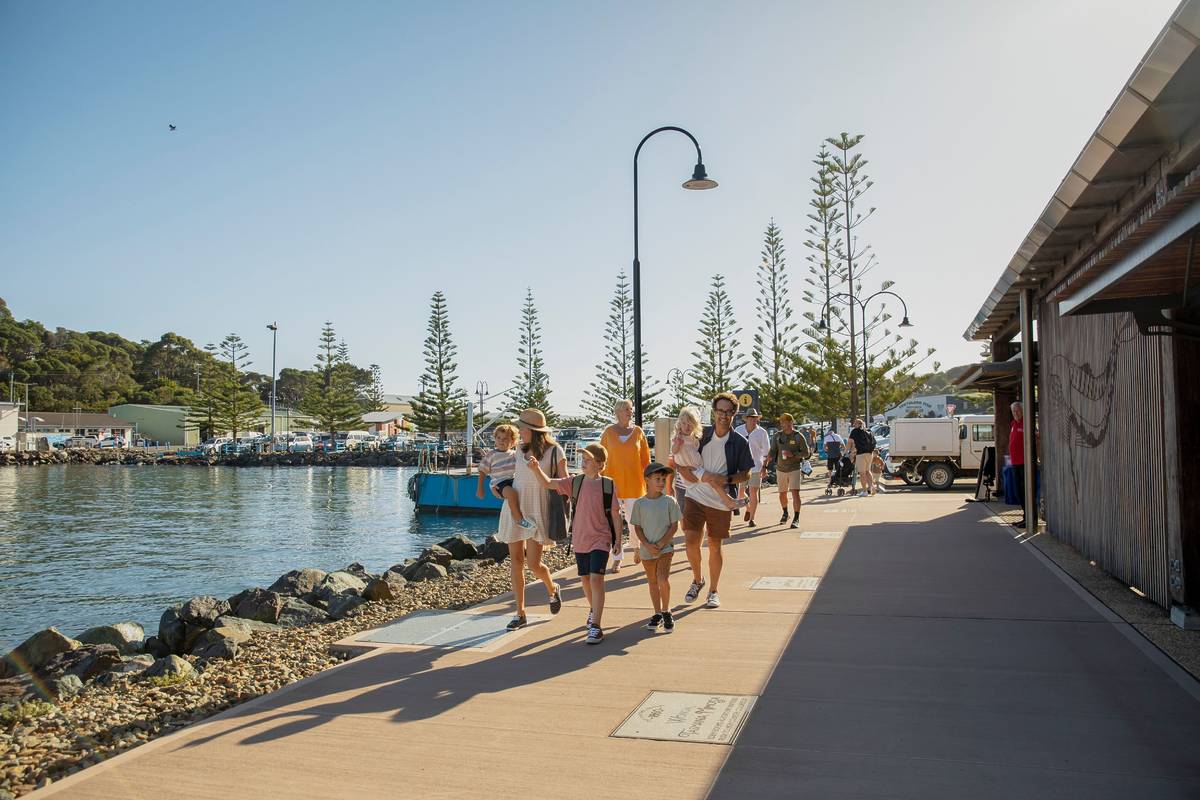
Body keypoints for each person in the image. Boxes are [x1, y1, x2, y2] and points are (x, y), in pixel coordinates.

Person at [526, 443, 621, 645]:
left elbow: (615, 514)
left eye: (587, 460)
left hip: (601, 538)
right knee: (585, 580)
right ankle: (593, 610)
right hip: (580, 539)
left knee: (596, 579)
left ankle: (596, 625)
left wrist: (618, 540)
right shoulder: (574, 482)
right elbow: (548, 483)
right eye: (583, 460)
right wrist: (536, 469)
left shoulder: (608, 485)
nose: (583, 463)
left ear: (599, 464)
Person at [674, 392, 755, 609]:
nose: (723, 415)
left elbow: (746, 474)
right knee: (690, 540)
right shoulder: (701, 434)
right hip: (695, 495)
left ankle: (713, 590)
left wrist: (726, 478)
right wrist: (681, 468)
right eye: (720, 411)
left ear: (734, 414)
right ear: (714, 412)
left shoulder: (739, 442)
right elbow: (680, 453)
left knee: (714, 545)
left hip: (720, 501)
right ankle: (697, 580)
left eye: (728, 412)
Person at [497, 408, 566, 631]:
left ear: (531, 430)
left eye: (522, 427)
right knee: (516, 562)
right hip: (516, 509)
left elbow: (564, 483)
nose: (519, 431)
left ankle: (552, 589)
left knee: (534, 564)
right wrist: (498, 489)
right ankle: (520, 613)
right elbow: (501, 475)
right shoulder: (517, 449)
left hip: (538, 509)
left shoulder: (555, 451)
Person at [600, 399, 651, 573]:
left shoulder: (638, 432)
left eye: (630, 409)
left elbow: (646, 461)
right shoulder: (608, 432)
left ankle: (637, 547)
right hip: (611, 485)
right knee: (614, 524)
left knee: (634, 521)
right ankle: (617, 558)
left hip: (635, 484)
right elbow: (600, 457)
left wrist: (650, 482)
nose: (630, 412)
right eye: (626, 409)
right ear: (617, 412)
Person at [631, 462, 682, 632]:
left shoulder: (669, 501)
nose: (661, 482)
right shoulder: (639, 504)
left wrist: (660, 544)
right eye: (657, 479)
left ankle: (667, 610)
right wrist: (645, 544)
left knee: (662, 579)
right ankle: (657, 612)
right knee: (652, 582)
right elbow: (637, 528)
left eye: (663, 479)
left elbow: (674, 526)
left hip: (665, 549)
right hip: (647, 550)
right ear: (647, 480)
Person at [671, 405, 746, 512]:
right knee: (712, 478)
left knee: (713, 482)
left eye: (690, 424)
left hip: (697, 468)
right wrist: (678, 444)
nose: (687, 427)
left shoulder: (693, 437)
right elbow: (673, 452)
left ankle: (729, 501)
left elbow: (696, 449)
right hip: (693, 470)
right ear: (679, 424)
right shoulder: (678, 438)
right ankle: (729, 501)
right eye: (684, 424)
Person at [476, 423, 534, 530]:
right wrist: (480, 489)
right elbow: (482, 471)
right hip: (499, 483)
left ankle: (526, 515)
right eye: (498, 438)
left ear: (513, 441)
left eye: (505, 438)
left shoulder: (514, 454)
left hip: (513, 480)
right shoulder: (491, 454)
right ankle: (518, 519)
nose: (501, 440)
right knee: (511, 494)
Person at [767, 413, 810, 528]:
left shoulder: (798, 436)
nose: (781, 424)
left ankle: (796, 518)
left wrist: (793, 454)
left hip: (794, 469)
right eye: (780, 422)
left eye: (783, 422)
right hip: (780, 469)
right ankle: (785, 513)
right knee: (782, 494)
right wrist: (767, 460)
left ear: (790, 423)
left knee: (795, 493)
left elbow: (806, 453)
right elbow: (772, 450)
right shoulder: (777, 436)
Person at [734, 408, 770, 527]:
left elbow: (766, 452)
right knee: (740, 493)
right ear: (747, 419)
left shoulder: (762, 432)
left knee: (753, 492)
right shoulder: (738, 430)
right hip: (741, 468)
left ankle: (752, 519)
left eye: (756, 418)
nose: (754, 420)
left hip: (756, 467)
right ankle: (748, 508)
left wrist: (765, 467)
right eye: (752, 418)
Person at [847, 418, 877, 497]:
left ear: (857, 424)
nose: (854, 425)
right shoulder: (868, 431)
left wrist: (846, 452)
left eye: (854, 424)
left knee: (862, 473)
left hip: (861, 454)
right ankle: (871, 487)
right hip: (870, 454)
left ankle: (864, 491)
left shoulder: (854, 431)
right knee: (868, 471)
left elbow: (849, 443)